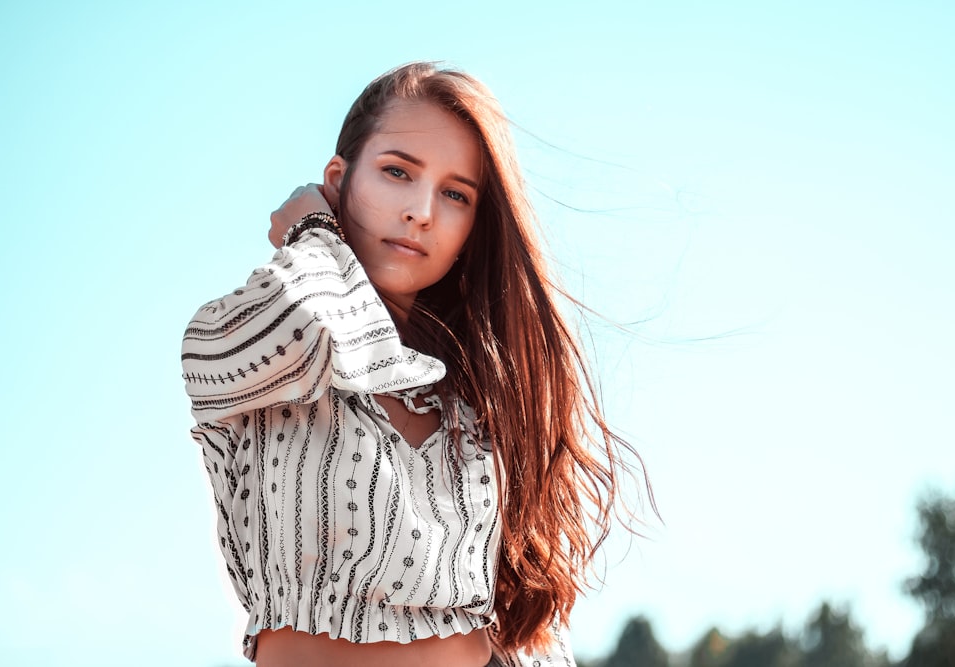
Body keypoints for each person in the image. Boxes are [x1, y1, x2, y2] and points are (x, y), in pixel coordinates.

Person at [181, 61, 646, 667]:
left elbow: (525, 634)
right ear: (336, 180)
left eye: (455, 194)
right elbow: (310, 329)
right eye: (397, 172)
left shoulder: (480, 399)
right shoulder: (243, 329)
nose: (422, 211)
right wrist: (313, 230)